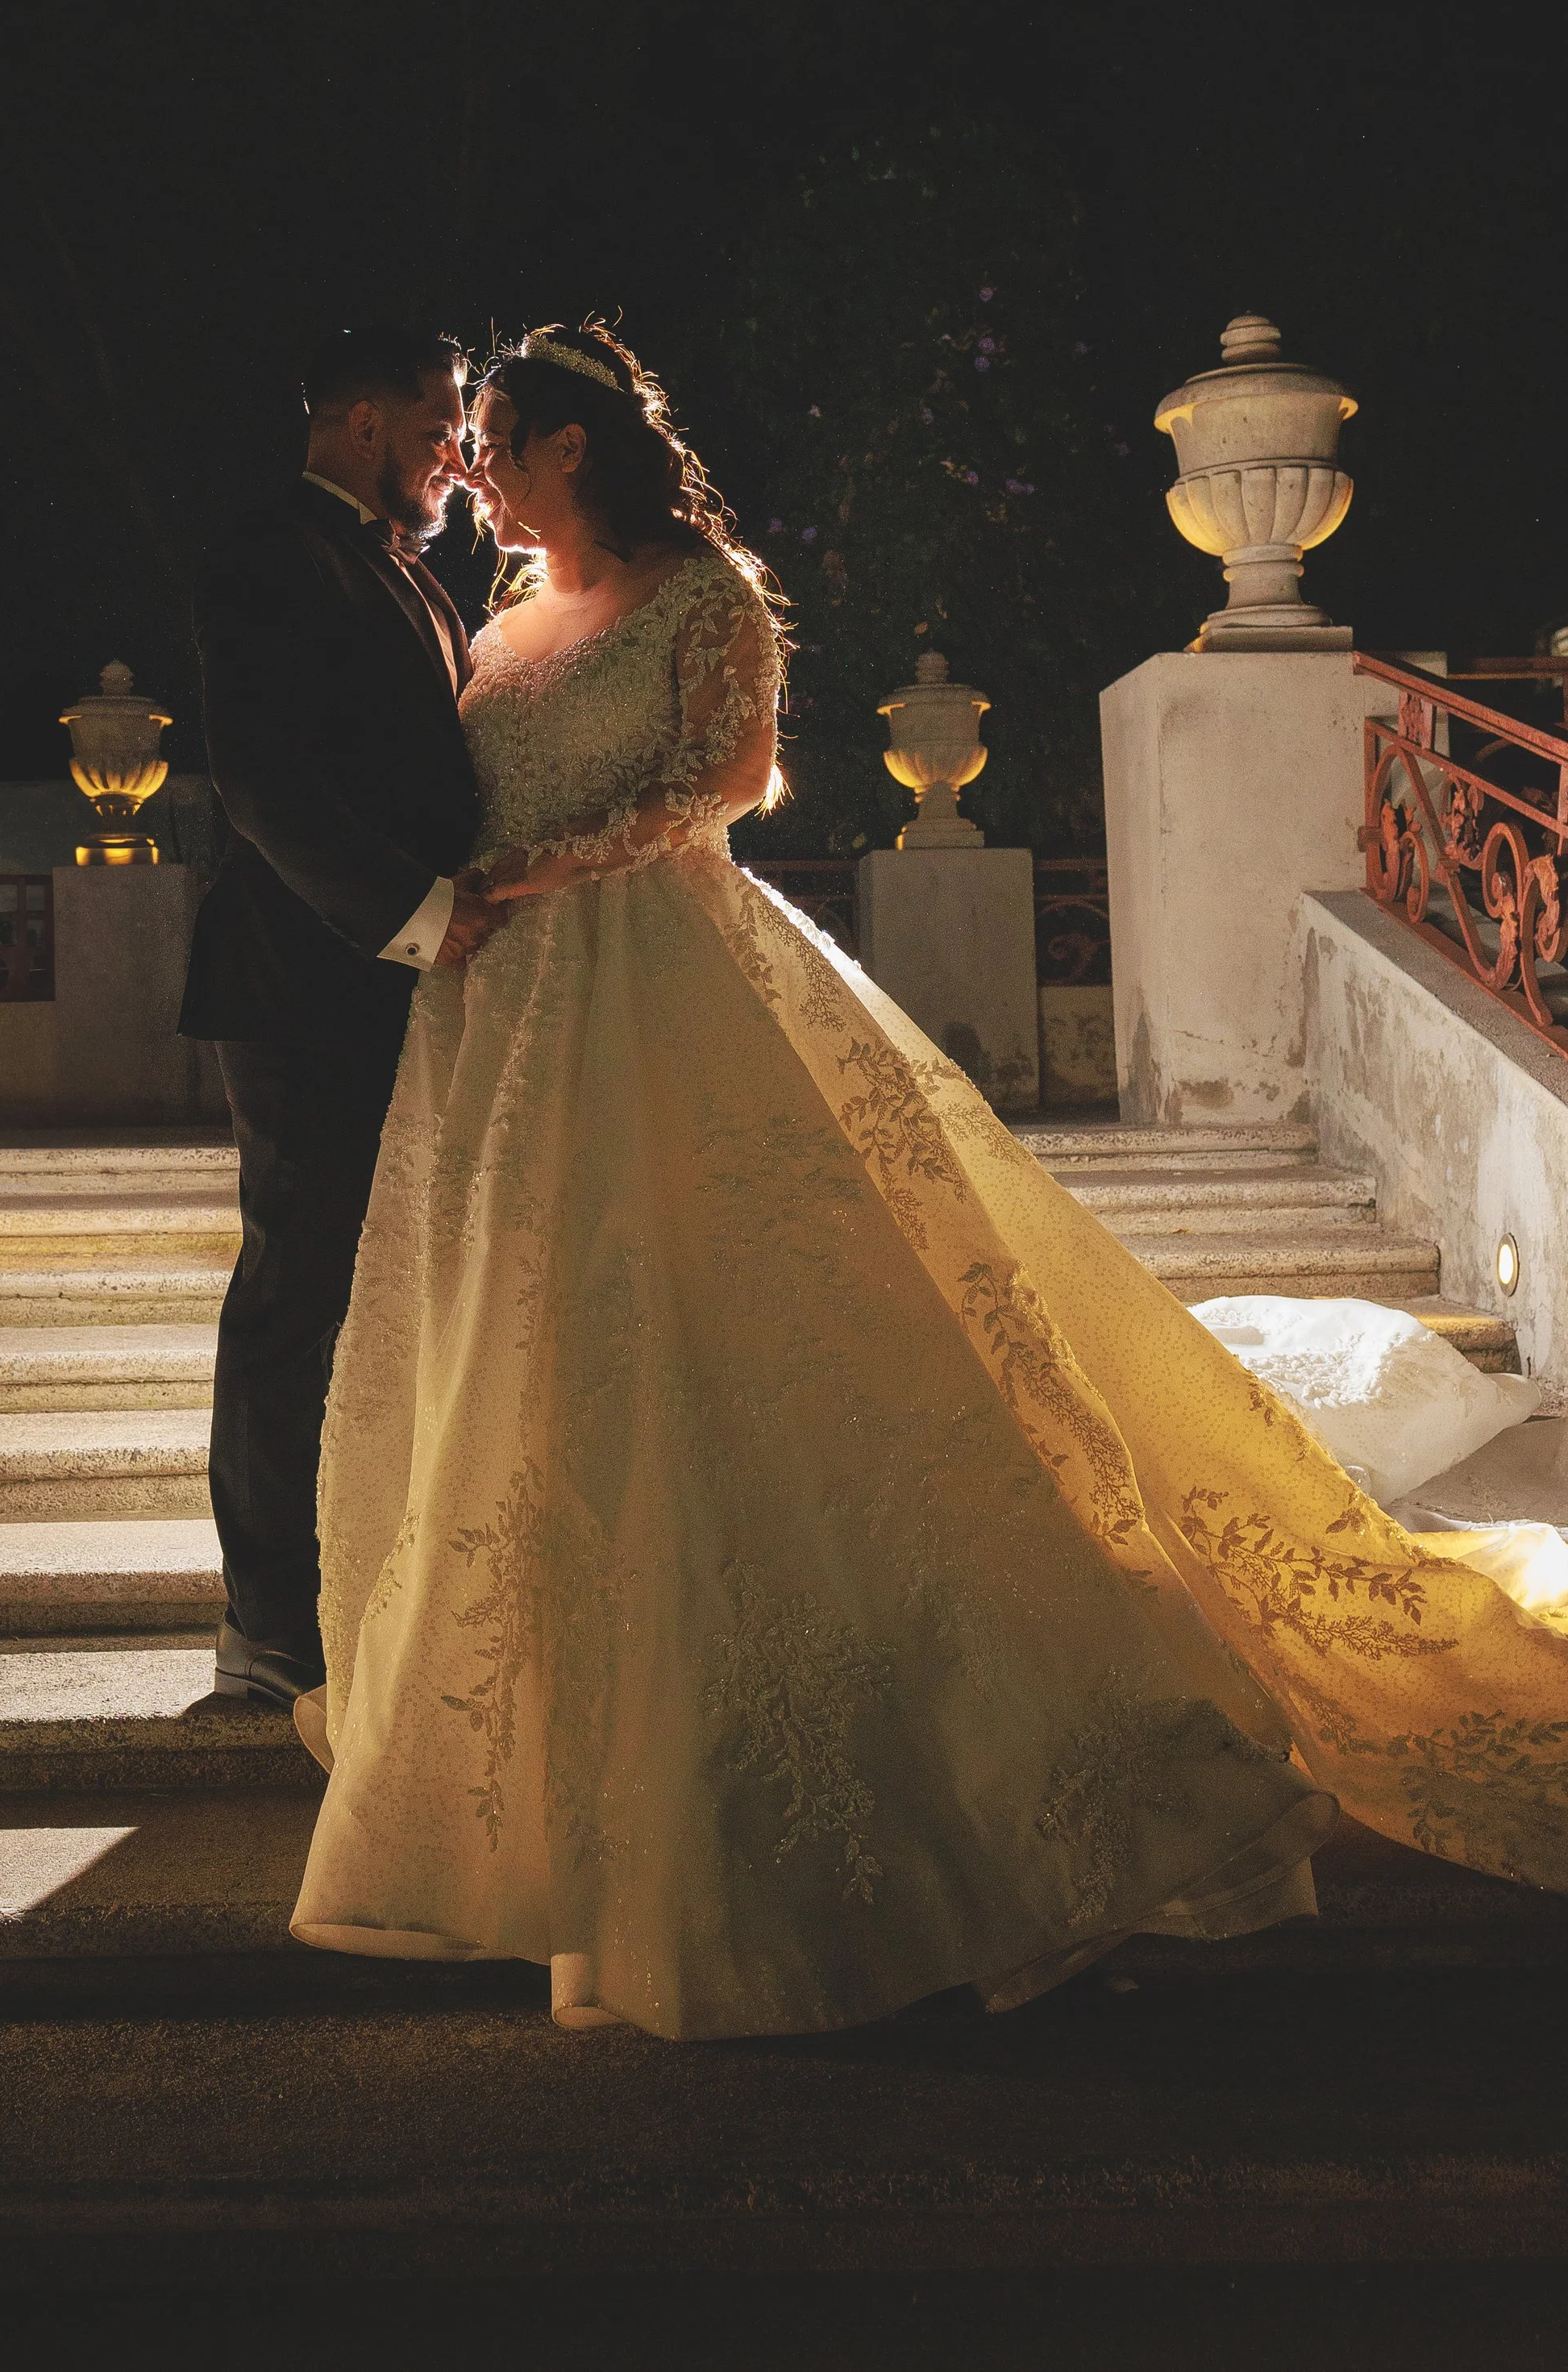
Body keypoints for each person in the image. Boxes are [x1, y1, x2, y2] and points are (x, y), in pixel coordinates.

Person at [290, 323, 1568, 2040]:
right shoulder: (496, 627)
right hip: (513, 1028)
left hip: (667, 982)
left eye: (496, 441)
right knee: (548, 1366)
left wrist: (554, 868)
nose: (472, 471)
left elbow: (729, 780)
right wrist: (486, 903)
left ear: (573, 449)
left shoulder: (702, 599)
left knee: (769, 1345)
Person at [179, 325, 504, 1707]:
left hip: (410, 983)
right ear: (363, 422)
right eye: (440, 428)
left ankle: (363, 1577)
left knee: (385, 1298)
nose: (456, 457)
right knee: (295, 1295)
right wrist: (418, 913)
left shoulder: (413, 576)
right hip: (308, 986)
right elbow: (262, 779)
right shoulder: (269, 554)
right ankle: (267, 1624)